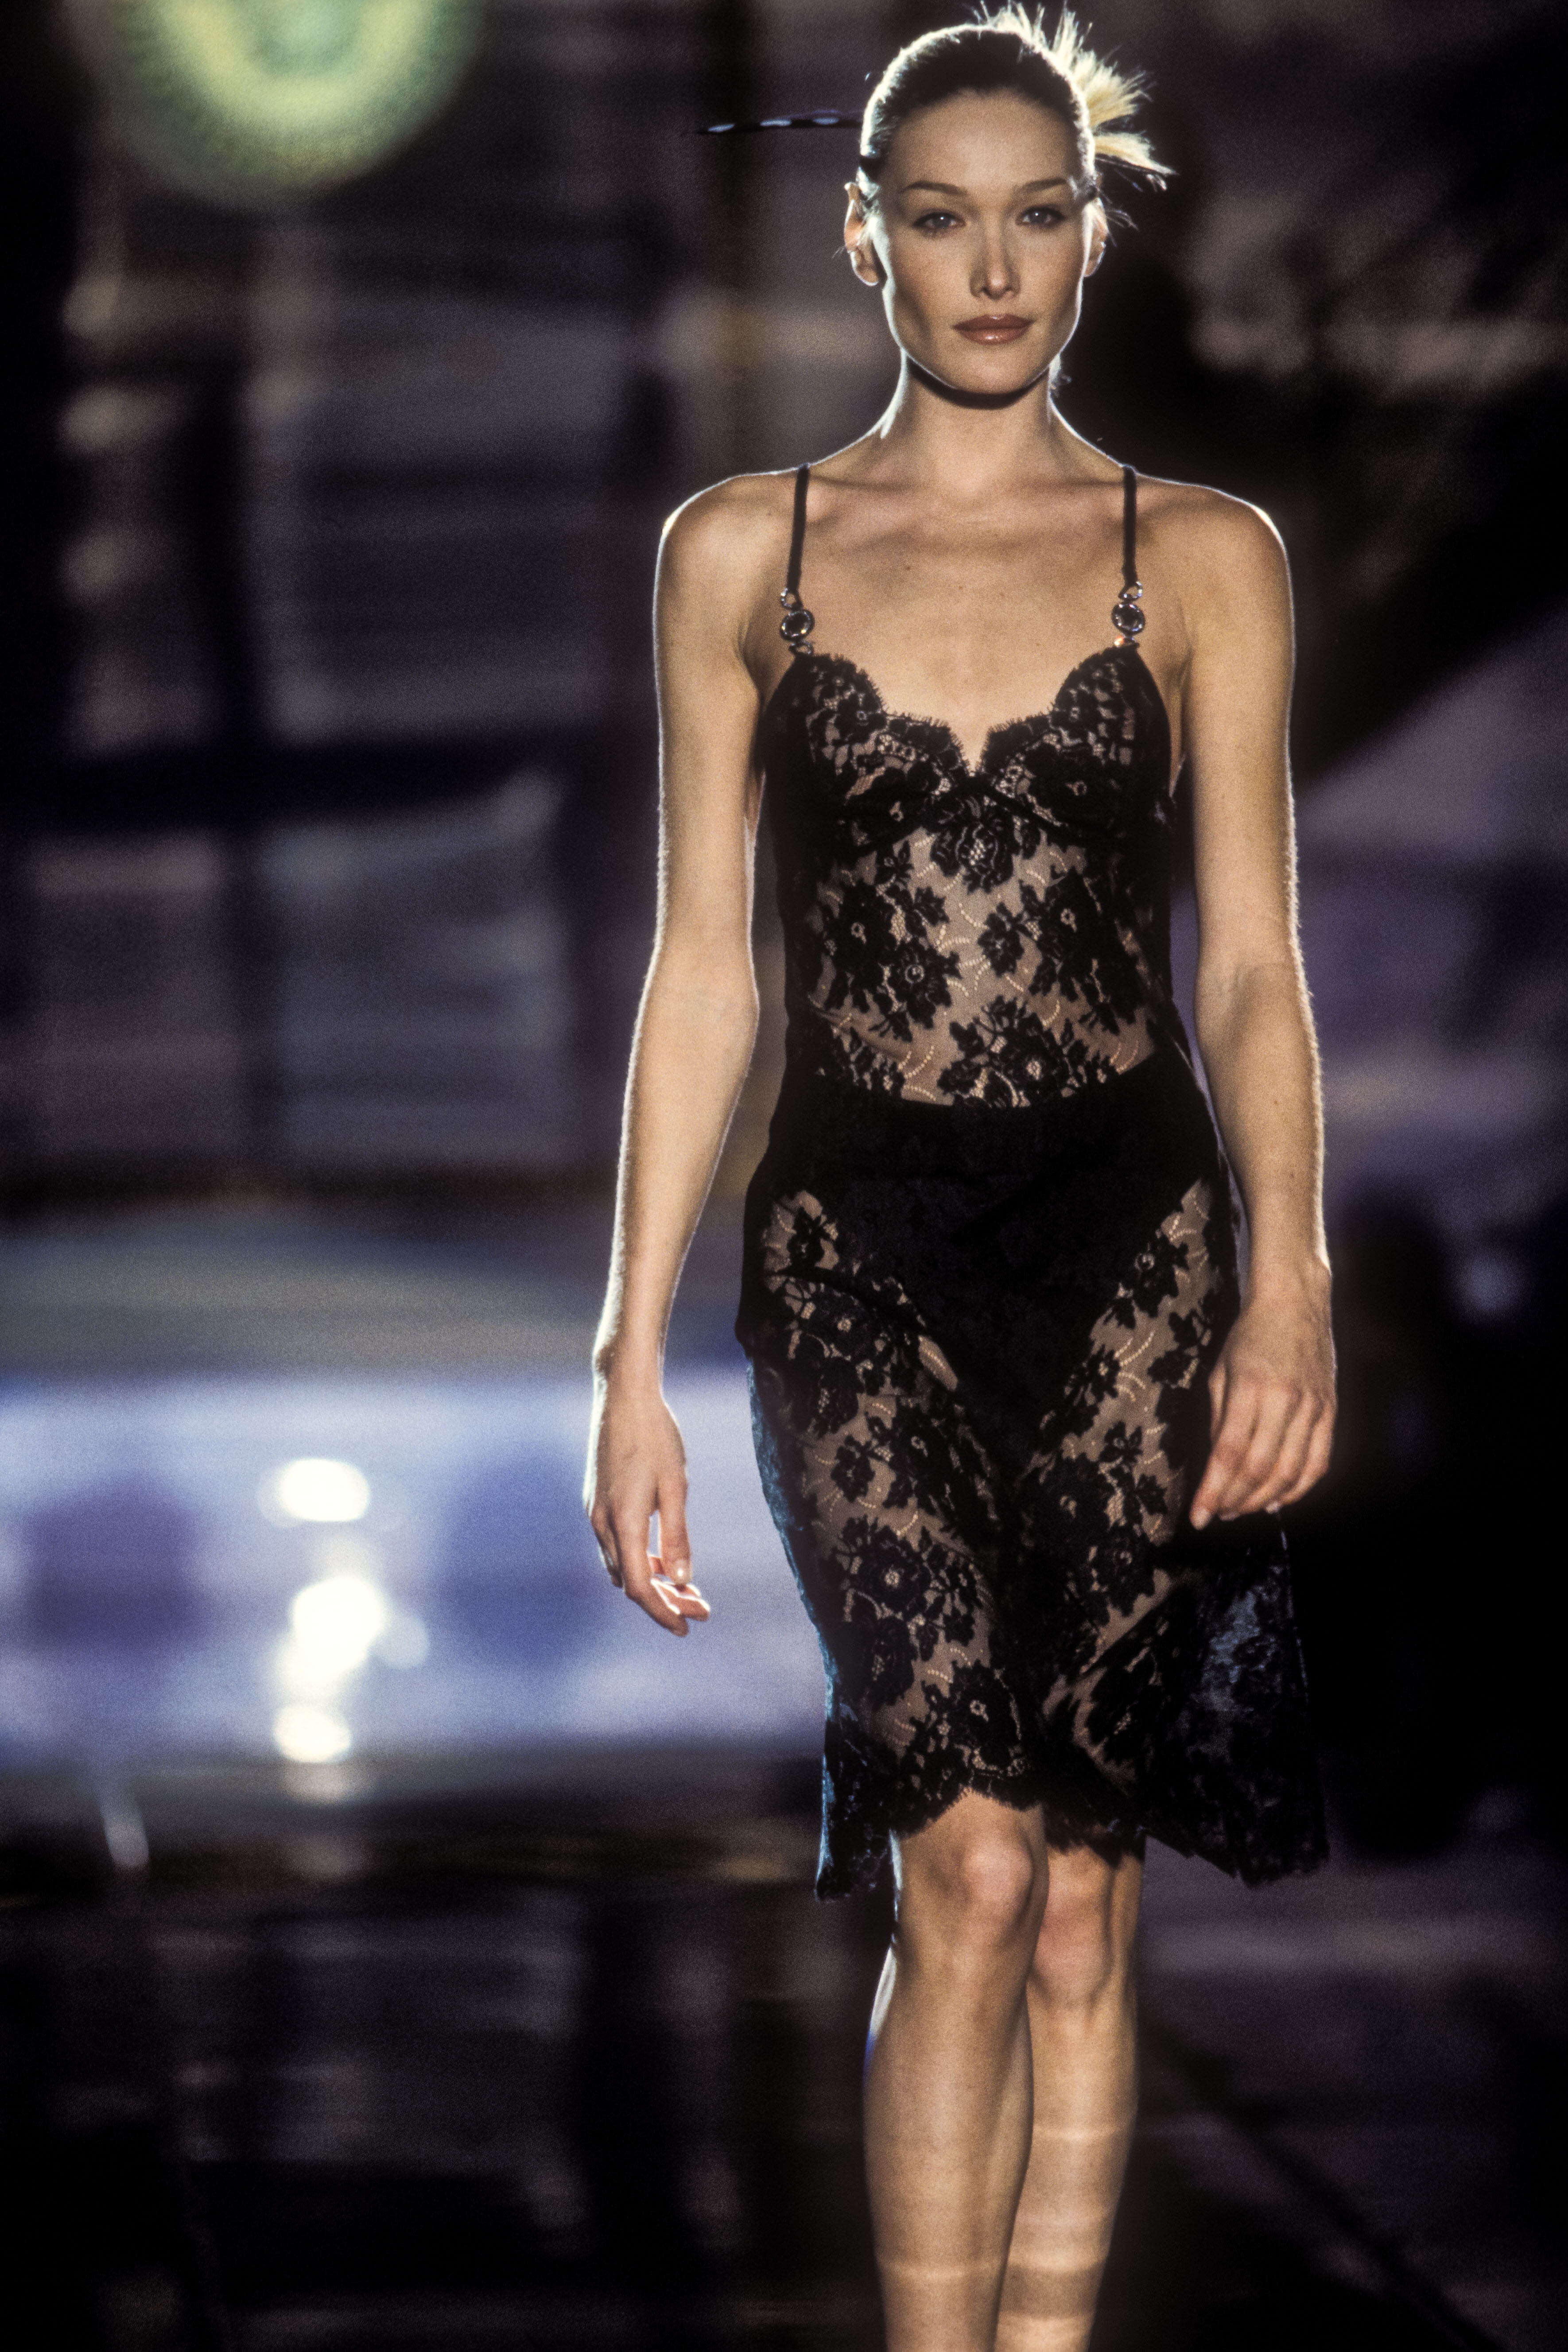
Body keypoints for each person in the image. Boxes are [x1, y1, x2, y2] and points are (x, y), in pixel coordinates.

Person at [585, 11, 1335, 2348]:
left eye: (1036, 215)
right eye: (941, 218)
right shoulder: (744, 550)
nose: (993, 269)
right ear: (866, 241)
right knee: (975, 1869)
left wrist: (1291, 1286)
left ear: (1092, 235)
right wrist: (625, 1358)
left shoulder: (1203, 557)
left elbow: (1252, 970)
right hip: (852, 1256)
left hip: (1134, 1252)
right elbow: (703, 971)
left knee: (1089, 1892)